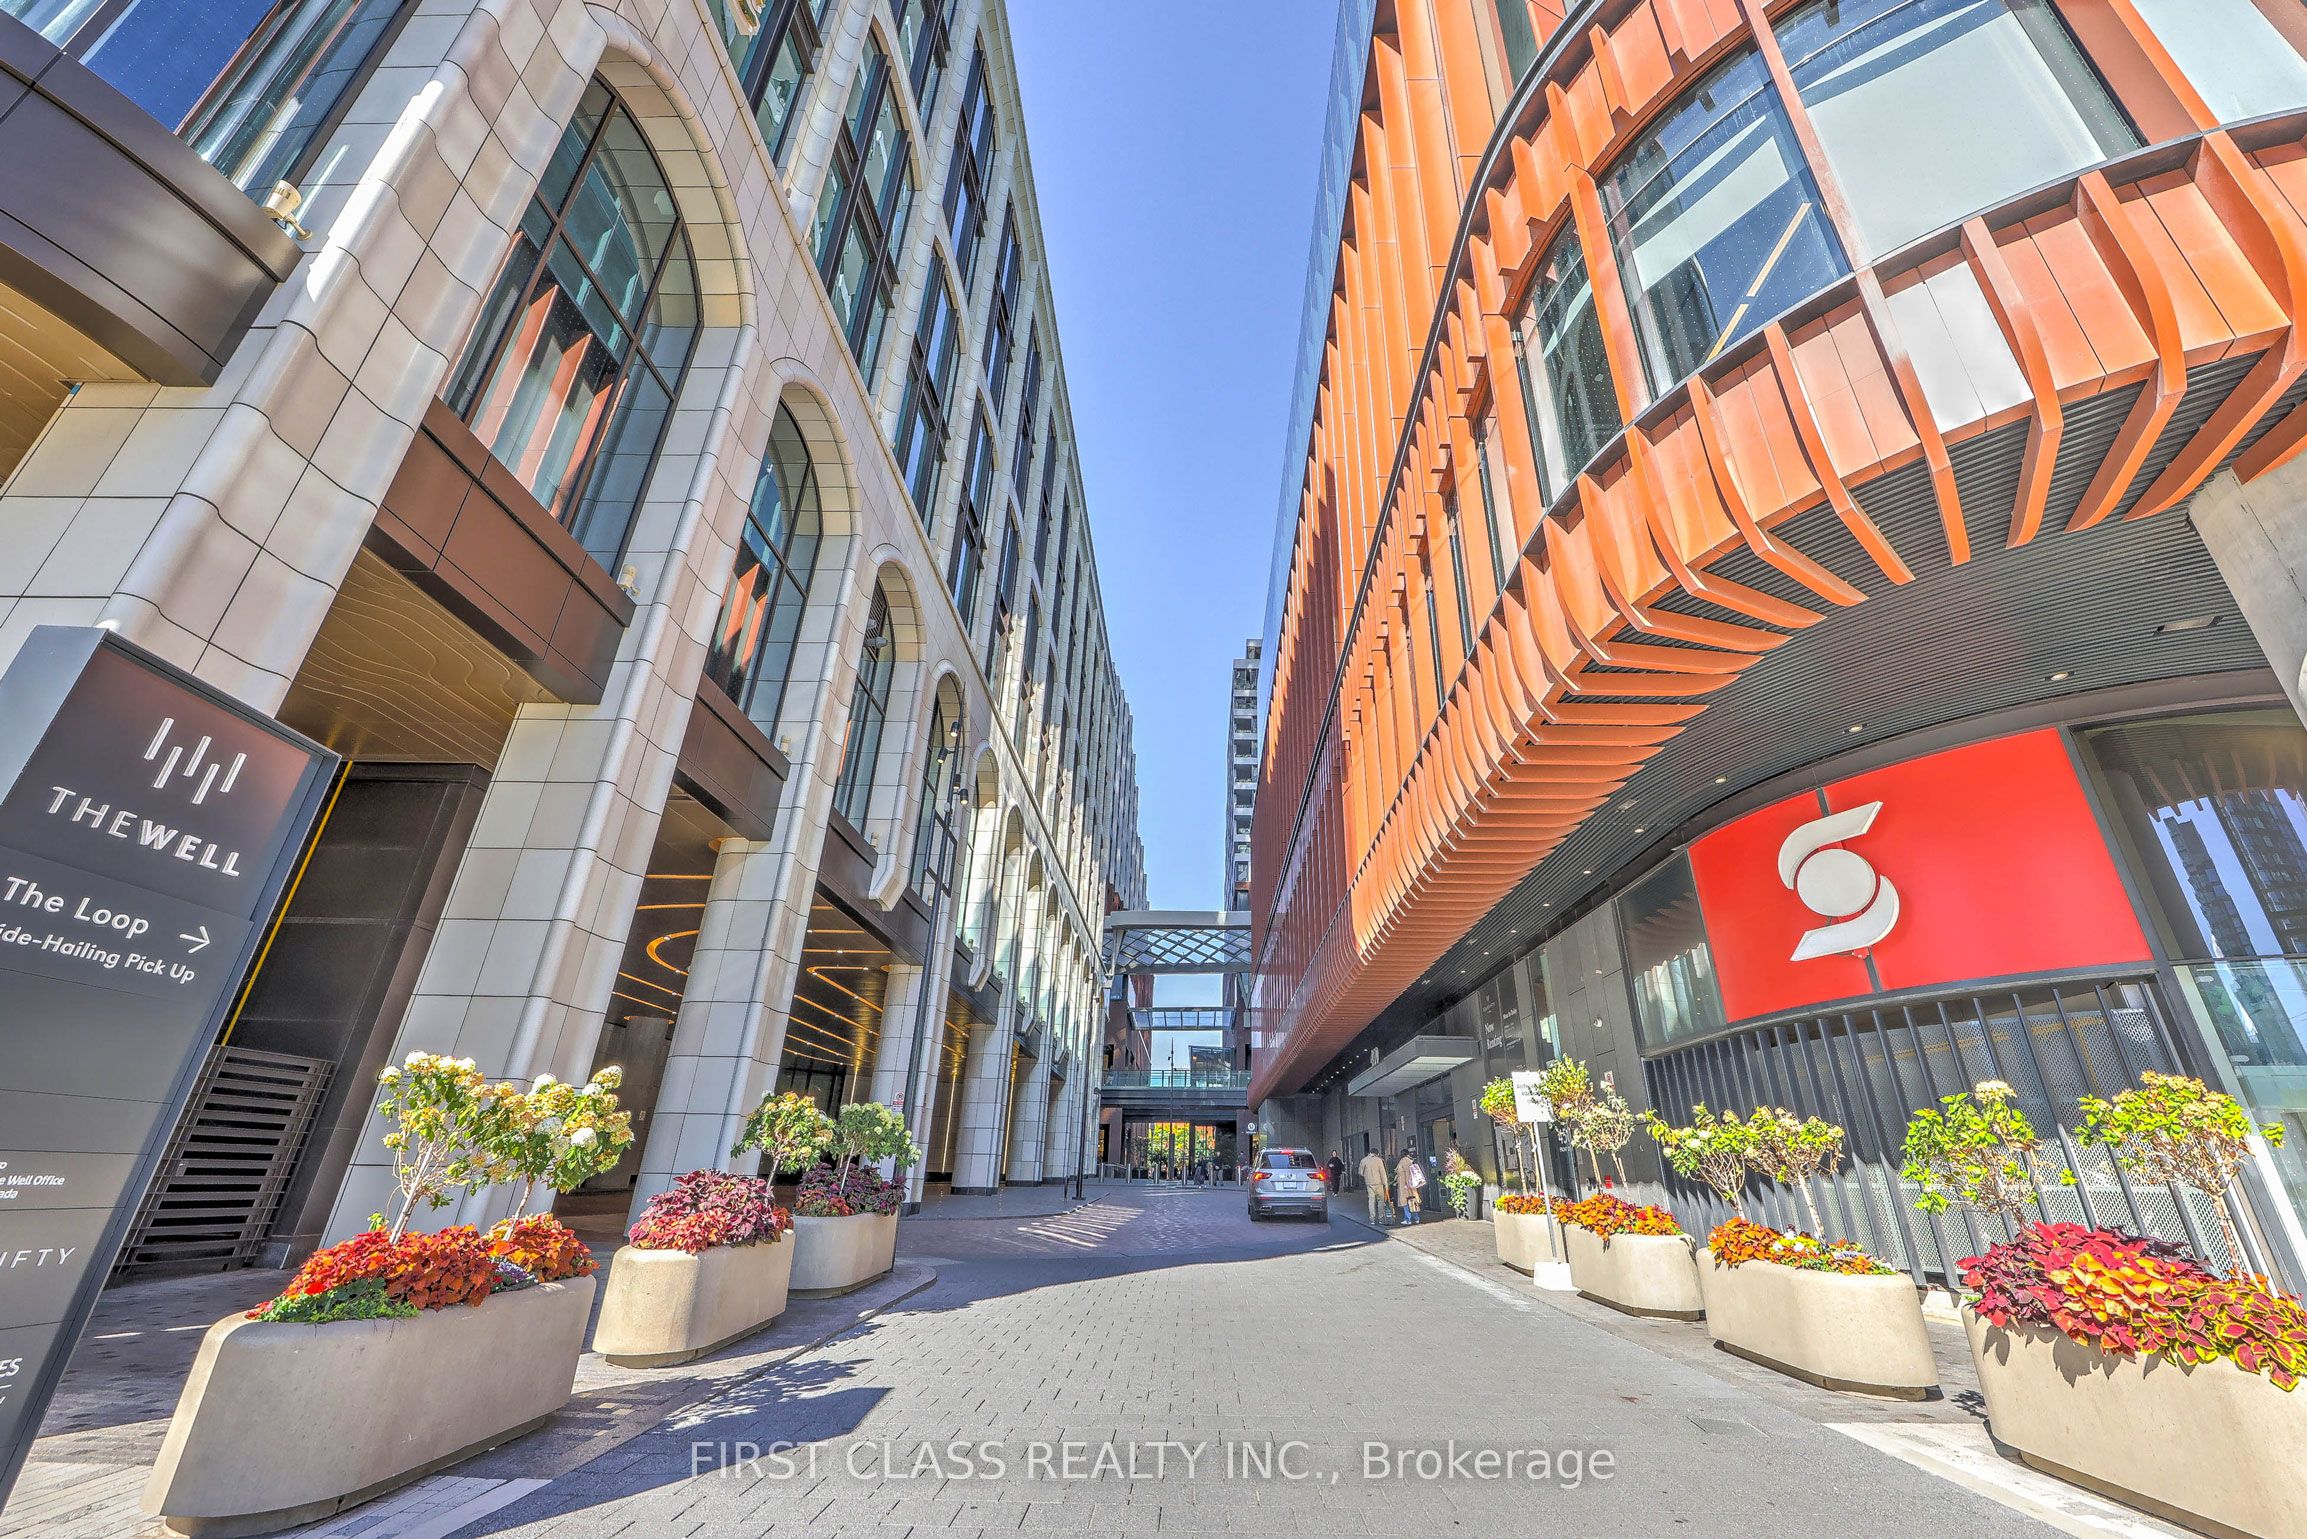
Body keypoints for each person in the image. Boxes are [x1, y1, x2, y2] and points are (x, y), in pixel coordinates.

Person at [1358, 1148, 1391, 1225]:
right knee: (1380, 1201)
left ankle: (1372, 1219)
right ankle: (1381, 1219)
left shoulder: (1364, 1160)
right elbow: (1383, 1173)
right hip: (1379, 1184)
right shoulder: (1379, 1160)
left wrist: (1366, 1175)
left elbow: (1360, 1172)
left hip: (1369, 1184)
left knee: (1371, 1202)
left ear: (1370, 1153)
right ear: (1377, 1153)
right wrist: (1386, 1184)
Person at [1396, 1150, 1424, 1226]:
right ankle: (1416, 1218)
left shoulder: (1404, 1161)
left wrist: (1407, 1184)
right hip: (1410, 1185)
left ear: (1403, 1154)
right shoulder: (1409, 1160)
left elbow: (1407, 1173)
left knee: (1406, 1202)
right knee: (1413, 1201)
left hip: (1405, 1185)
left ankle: (1408, 1219)